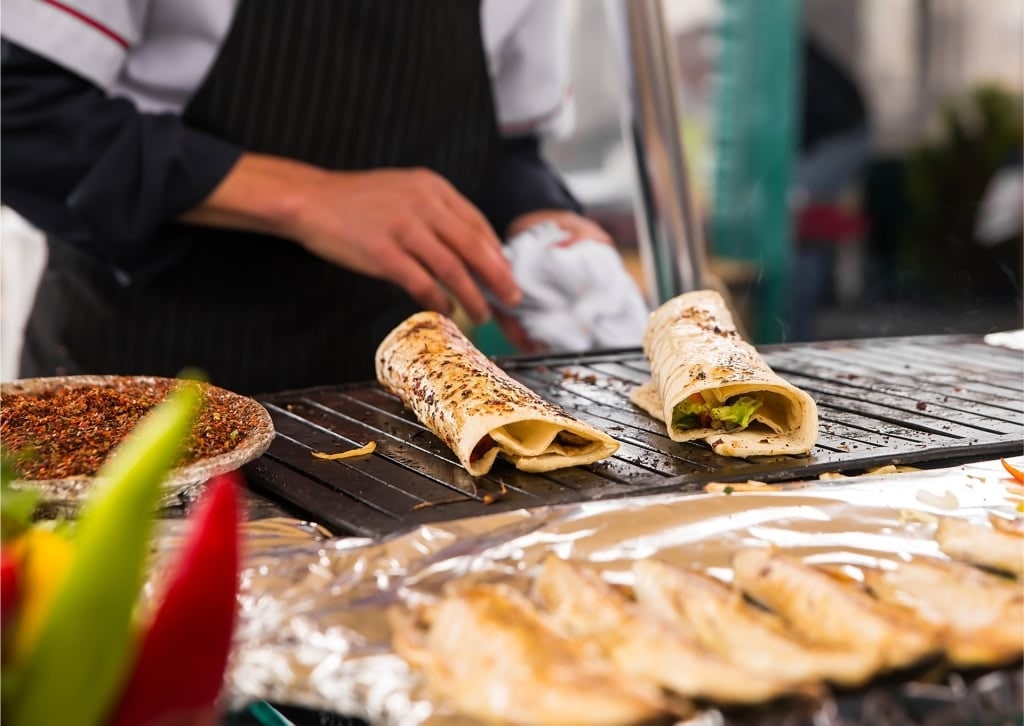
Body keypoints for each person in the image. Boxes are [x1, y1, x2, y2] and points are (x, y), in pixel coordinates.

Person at [2, 0, 642, 395]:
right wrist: (311, 198)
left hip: (383, 399)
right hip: (146, 382)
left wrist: (541, 219)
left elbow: (505, 143)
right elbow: (21, 110)